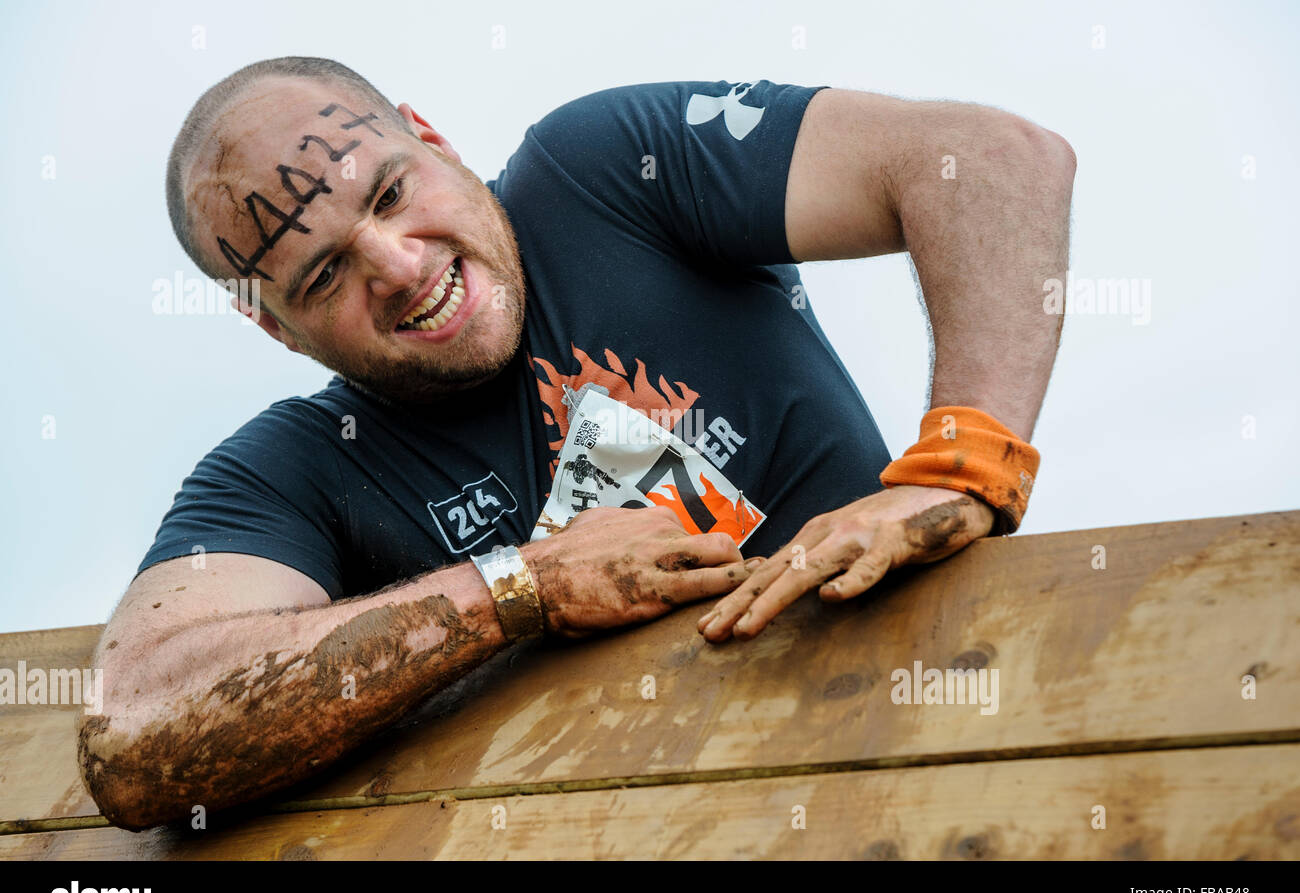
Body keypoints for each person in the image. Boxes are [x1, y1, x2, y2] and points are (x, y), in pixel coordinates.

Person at [79, 57, 1075, 830]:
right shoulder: (296, 467)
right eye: (324, 274)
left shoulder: (604, 171)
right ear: (274, 327)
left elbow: (990, 159)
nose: (397, 265)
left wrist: (959, 464)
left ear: (431, 139)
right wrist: (521, 587)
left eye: (389, 195)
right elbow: (134, 734)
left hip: (944, 768)